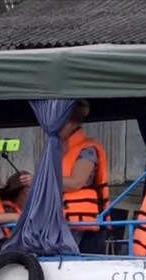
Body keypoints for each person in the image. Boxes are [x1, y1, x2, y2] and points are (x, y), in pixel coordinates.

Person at [60, 99, 109, 254]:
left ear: (70, 123)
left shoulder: (87, 150)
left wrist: (41, 182)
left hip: (88, 224)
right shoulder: (59, 150)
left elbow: (76, 182)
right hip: (63, 221)